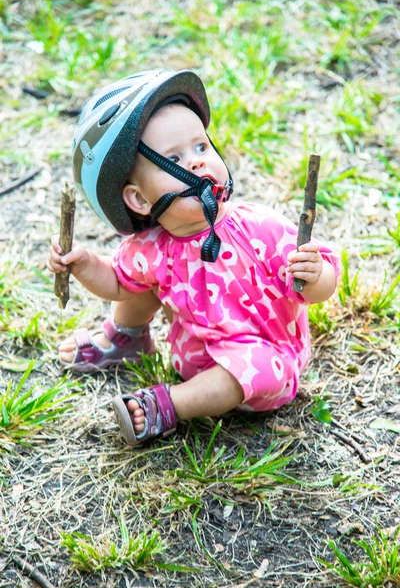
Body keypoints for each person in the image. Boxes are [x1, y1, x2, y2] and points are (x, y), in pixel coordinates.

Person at [47, 69, 340, 446]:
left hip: (263, 361)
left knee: (253, 366)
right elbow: (118, 283)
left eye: (201, 147)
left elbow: (317, 289)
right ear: (138, 199)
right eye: (175, 157)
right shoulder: (155, 246)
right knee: (143, 279)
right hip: (197, 349)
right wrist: (83, 263)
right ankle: (127, 339)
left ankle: (170, 405)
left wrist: (316, 274)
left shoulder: (259, 228)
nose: (198, 163)